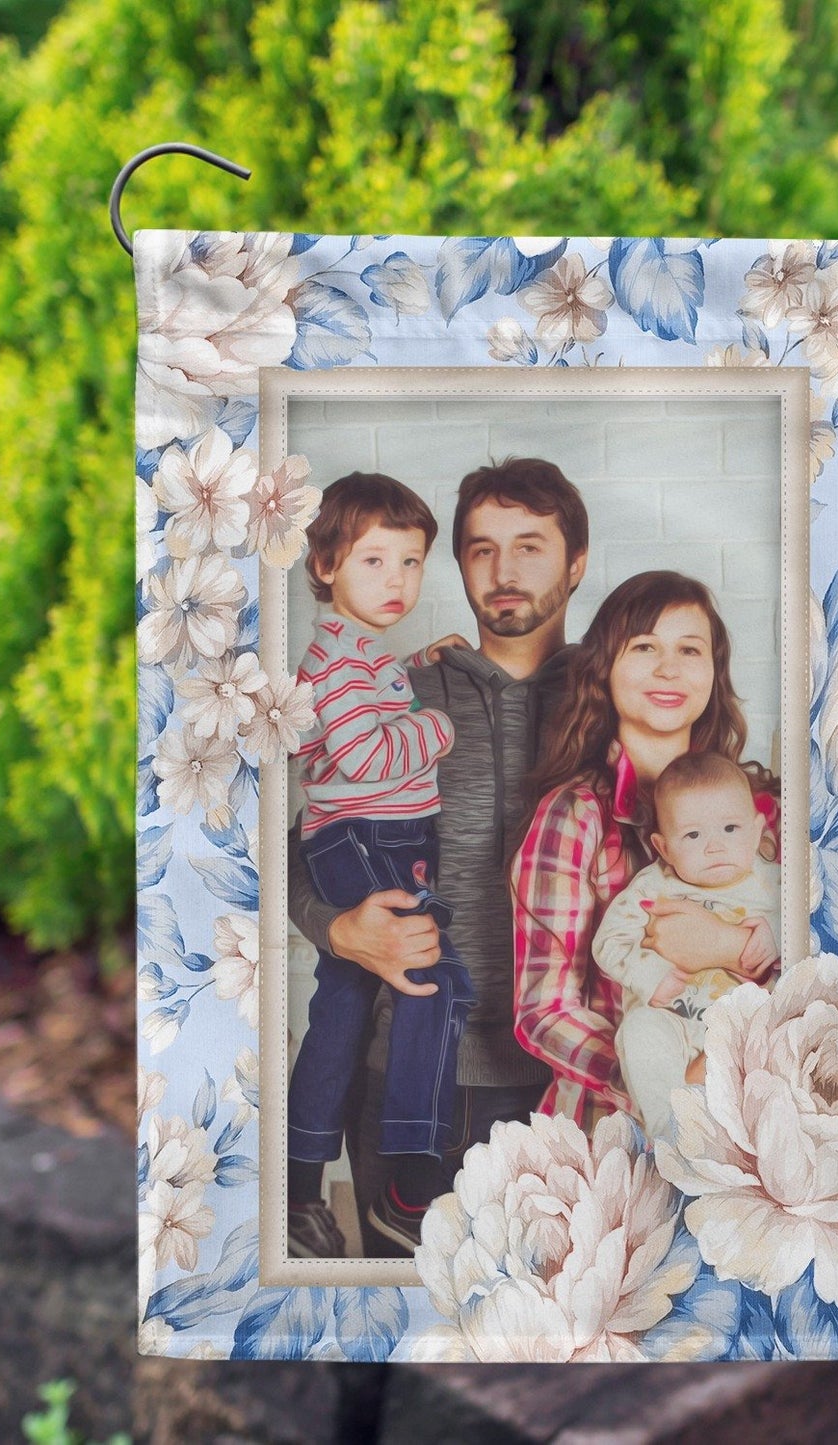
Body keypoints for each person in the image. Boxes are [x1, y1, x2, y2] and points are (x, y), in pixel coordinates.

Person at [289, 457, 590, 1254]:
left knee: (557, 1317)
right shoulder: (402, 690)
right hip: (402, 1074)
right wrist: (336, 929)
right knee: (395, 1316)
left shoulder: (614, 695)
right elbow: (300, 845)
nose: (503, 569)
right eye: (482, 549)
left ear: (576, 563)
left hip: (569, 1082)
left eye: (530, 546)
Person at [511, 570, 780, 1131]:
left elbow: (821, 966)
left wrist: (730, 946)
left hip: (749, 1109)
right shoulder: (575, 815)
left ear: (713, 673)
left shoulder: (765, 811)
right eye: (644, 648)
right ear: (605, 668)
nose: (669, 668)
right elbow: (545, 1011)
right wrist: (669, 1082)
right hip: (609, 1124)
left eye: (690, 649)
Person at [286, 472, 473, 1259]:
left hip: (367, 837)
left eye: (410, 561)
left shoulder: (355, 652)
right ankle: (408, 1187)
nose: (396, 579)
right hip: (369, 840)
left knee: (343, 1005)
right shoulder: (340, 661)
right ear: (325, 565)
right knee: (436, 982)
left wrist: (415, 665)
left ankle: (299, 1185)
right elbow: (364, 754)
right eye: (373, 560)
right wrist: (437, 727)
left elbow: (347, 718)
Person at [593, 751, 783, 1137]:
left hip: (745, 1028)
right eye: (693, 835)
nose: (714, 846)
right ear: (664, 848)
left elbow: (810, 927)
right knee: (640, 1031)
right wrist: (651, 975)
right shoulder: (653, 887)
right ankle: (668, 1133)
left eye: (730, 828)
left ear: (756, 830)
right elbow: (608, 941)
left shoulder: (774, 884)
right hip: (674, 1024)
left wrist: (773, 935)